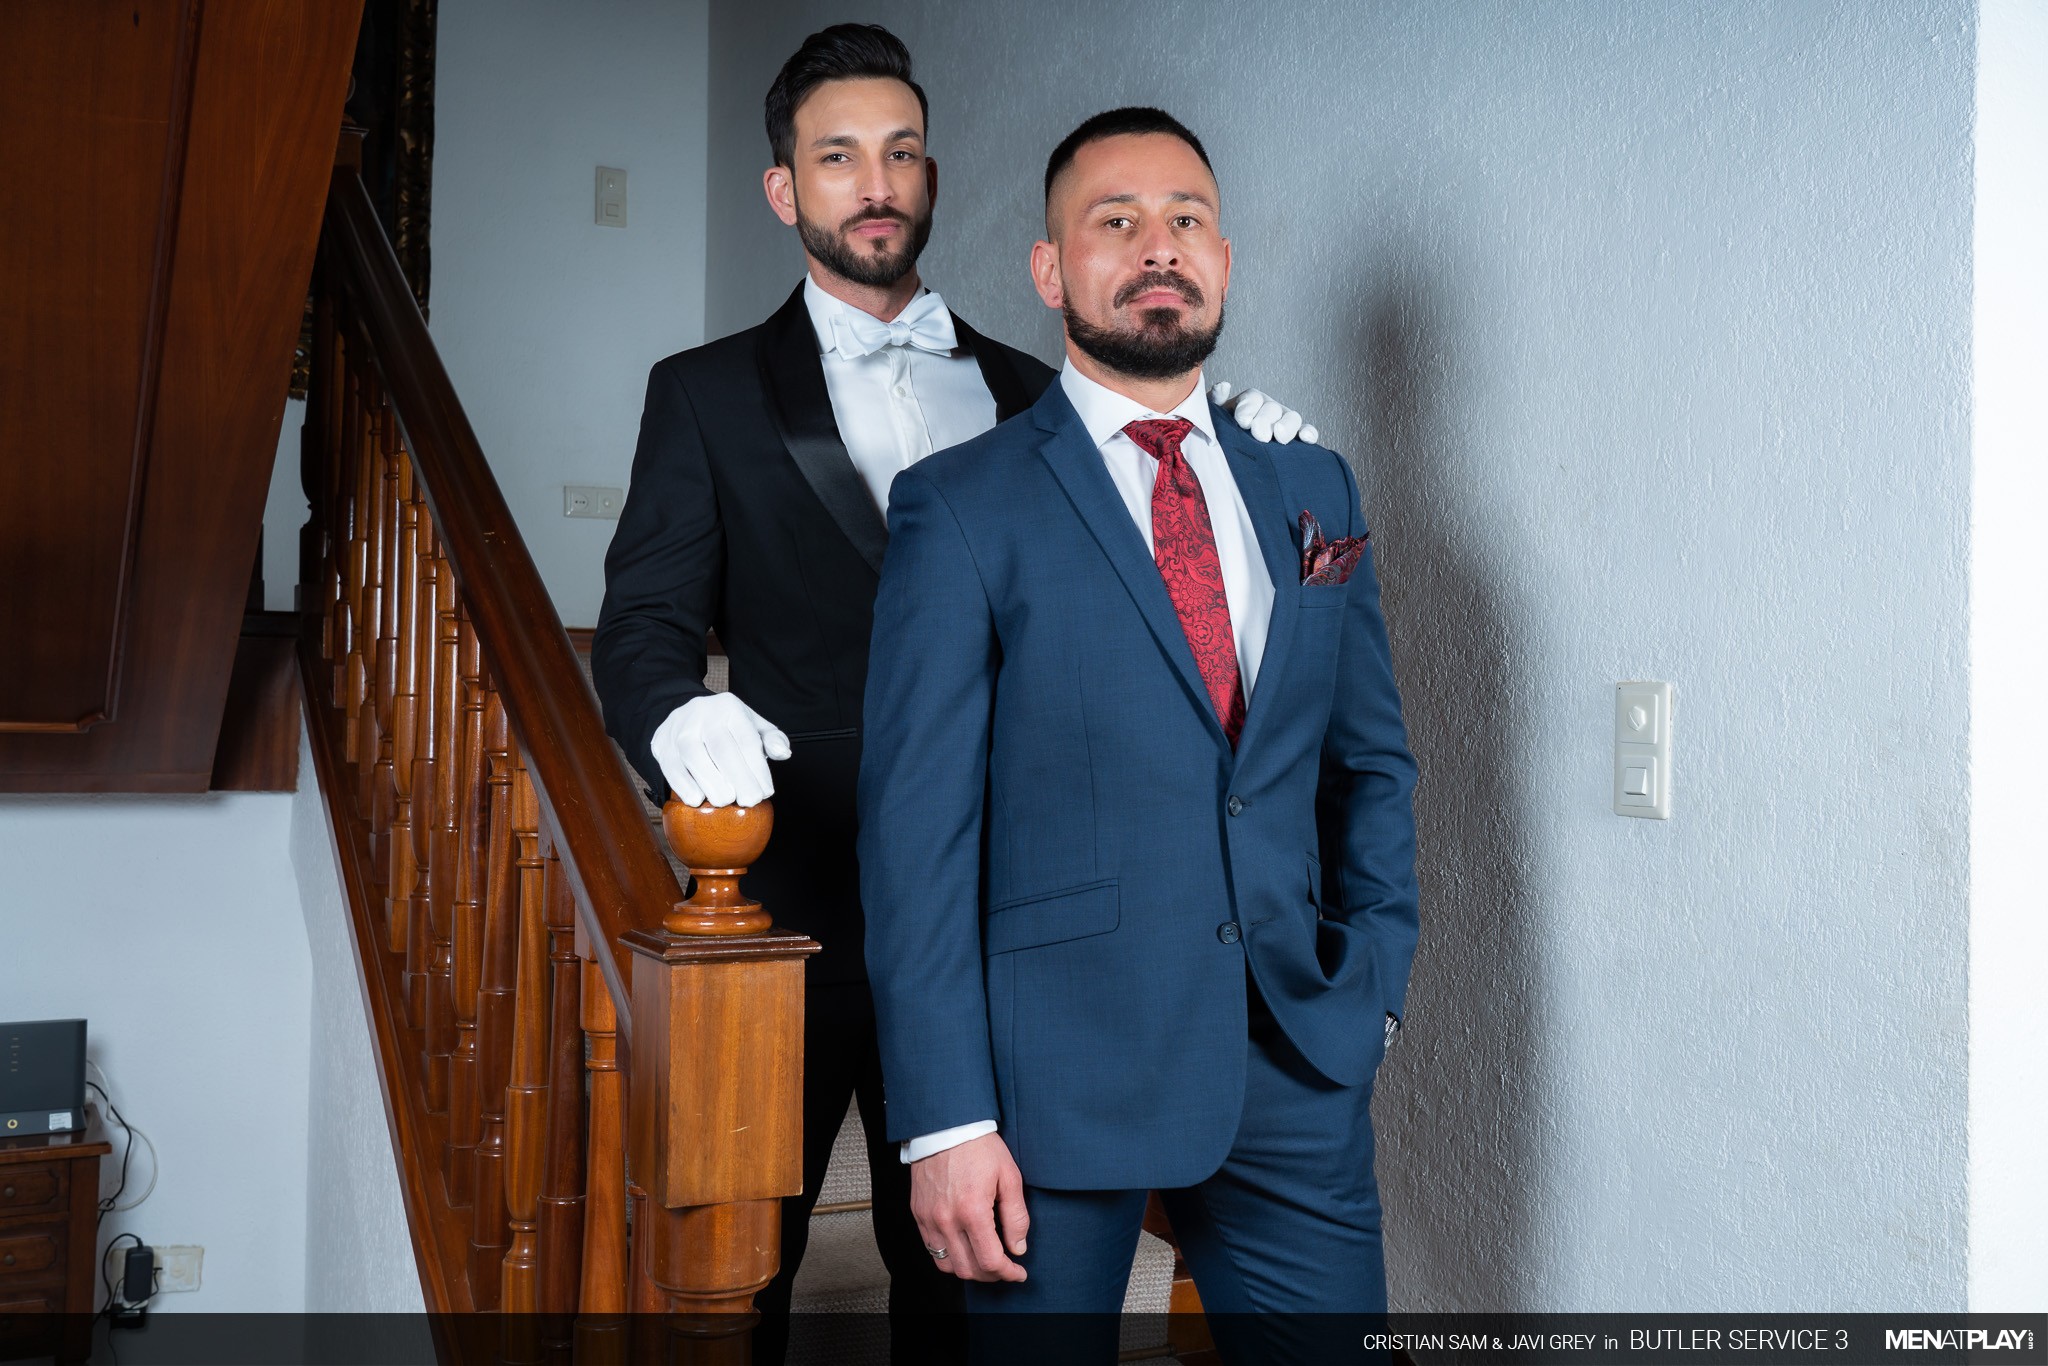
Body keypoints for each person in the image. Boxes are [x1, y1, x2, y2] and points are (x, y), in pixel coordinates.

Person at [591, 27, 1317, 1365]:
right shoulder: (701, 395)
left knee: (975, 1280)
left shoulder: (1045, 391)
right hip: (797, 902)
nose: (876, 183)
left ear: (931, 177)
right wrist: (671, 714)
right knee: (745, 1264)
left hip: (1011, 923)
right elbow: (639, 627)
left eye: (902, 152)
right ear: (783, 188)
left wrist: (1233, 456)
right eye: (839, 156)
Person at [857, 106, 1419, 1363]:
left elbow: (1367, 761)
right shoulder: (960, 505)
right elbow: (914, 839)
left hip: (1295, 1060)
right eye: (1114, 221)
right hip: (1048, 1083)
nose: (1156, 245)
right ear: (1050, 269)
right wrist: (944, 1118)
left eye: (1185, 220)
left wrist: (1373, 984)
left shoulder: (1310, 483)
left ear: (1222, 260)